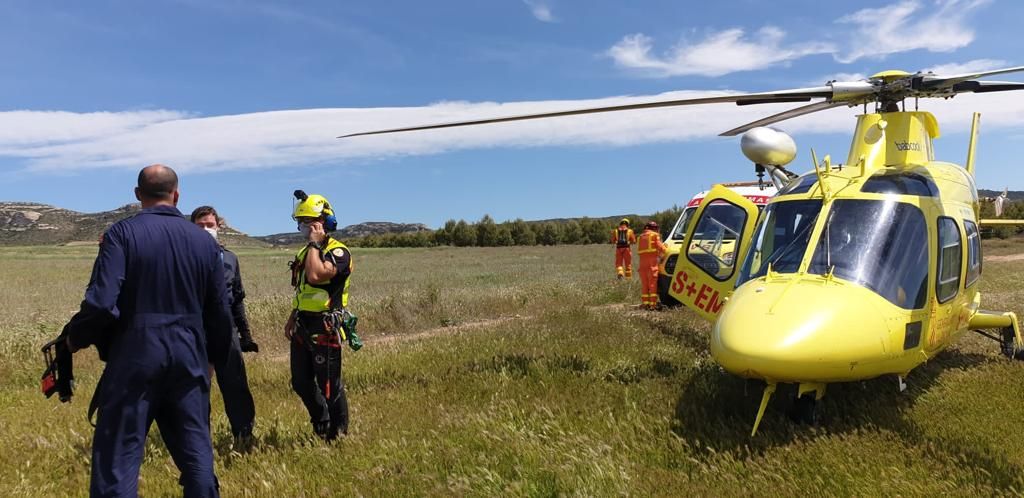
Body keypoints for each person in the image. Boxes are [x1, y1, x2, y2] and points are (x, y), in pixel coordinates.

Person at [61, 164, 232, 497]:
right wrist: (214, 359)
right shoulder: (205, 242)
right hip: (189, 353)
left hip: (135, 353)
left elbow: (100, 304)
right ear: (176, 194)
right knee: (196, 453)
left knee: (118, 460)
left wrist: (74, 339)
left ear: (138, 195)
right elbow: (220, 311)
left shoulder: (121, 234)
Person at [285, 191, 354, 441]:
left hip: (325, 327)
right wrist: (293, 317)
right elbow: (303, 287)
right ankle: (322, 422)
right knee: (300, 382)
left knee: (329, 385)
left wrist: (315, 243)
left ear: (323, 222)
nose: (303, 227)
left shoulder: (339, 252)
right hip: (303, 324)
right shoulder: (305, 253)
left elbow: (316, 276)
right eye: (301, 222)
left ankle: (339, 434)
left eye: (308, 222)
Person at [191, 206, 257, 442]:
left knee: (235, 384)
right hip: (197, 329)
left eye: (210, 225)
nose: (207, 229)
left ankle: (245, 434)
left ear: (218, 226)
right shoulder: (185, 257)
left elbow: (238, 298)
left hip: (226, 328)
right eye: (201, 226)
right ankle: (199, 439)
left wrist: (245, 334)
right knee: (198, 387)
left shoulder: (230, 257)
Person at [638, 220, 669, 310]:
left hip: (642, 265)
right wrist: (662, 254)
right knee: (652, 284)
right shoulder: (654, 236)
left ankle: (645, 304)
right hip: (652, 265)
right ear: (654, 228)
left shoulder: (640, 237)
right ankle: (653, 305)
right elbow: (663, 249)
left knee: (645, 285)